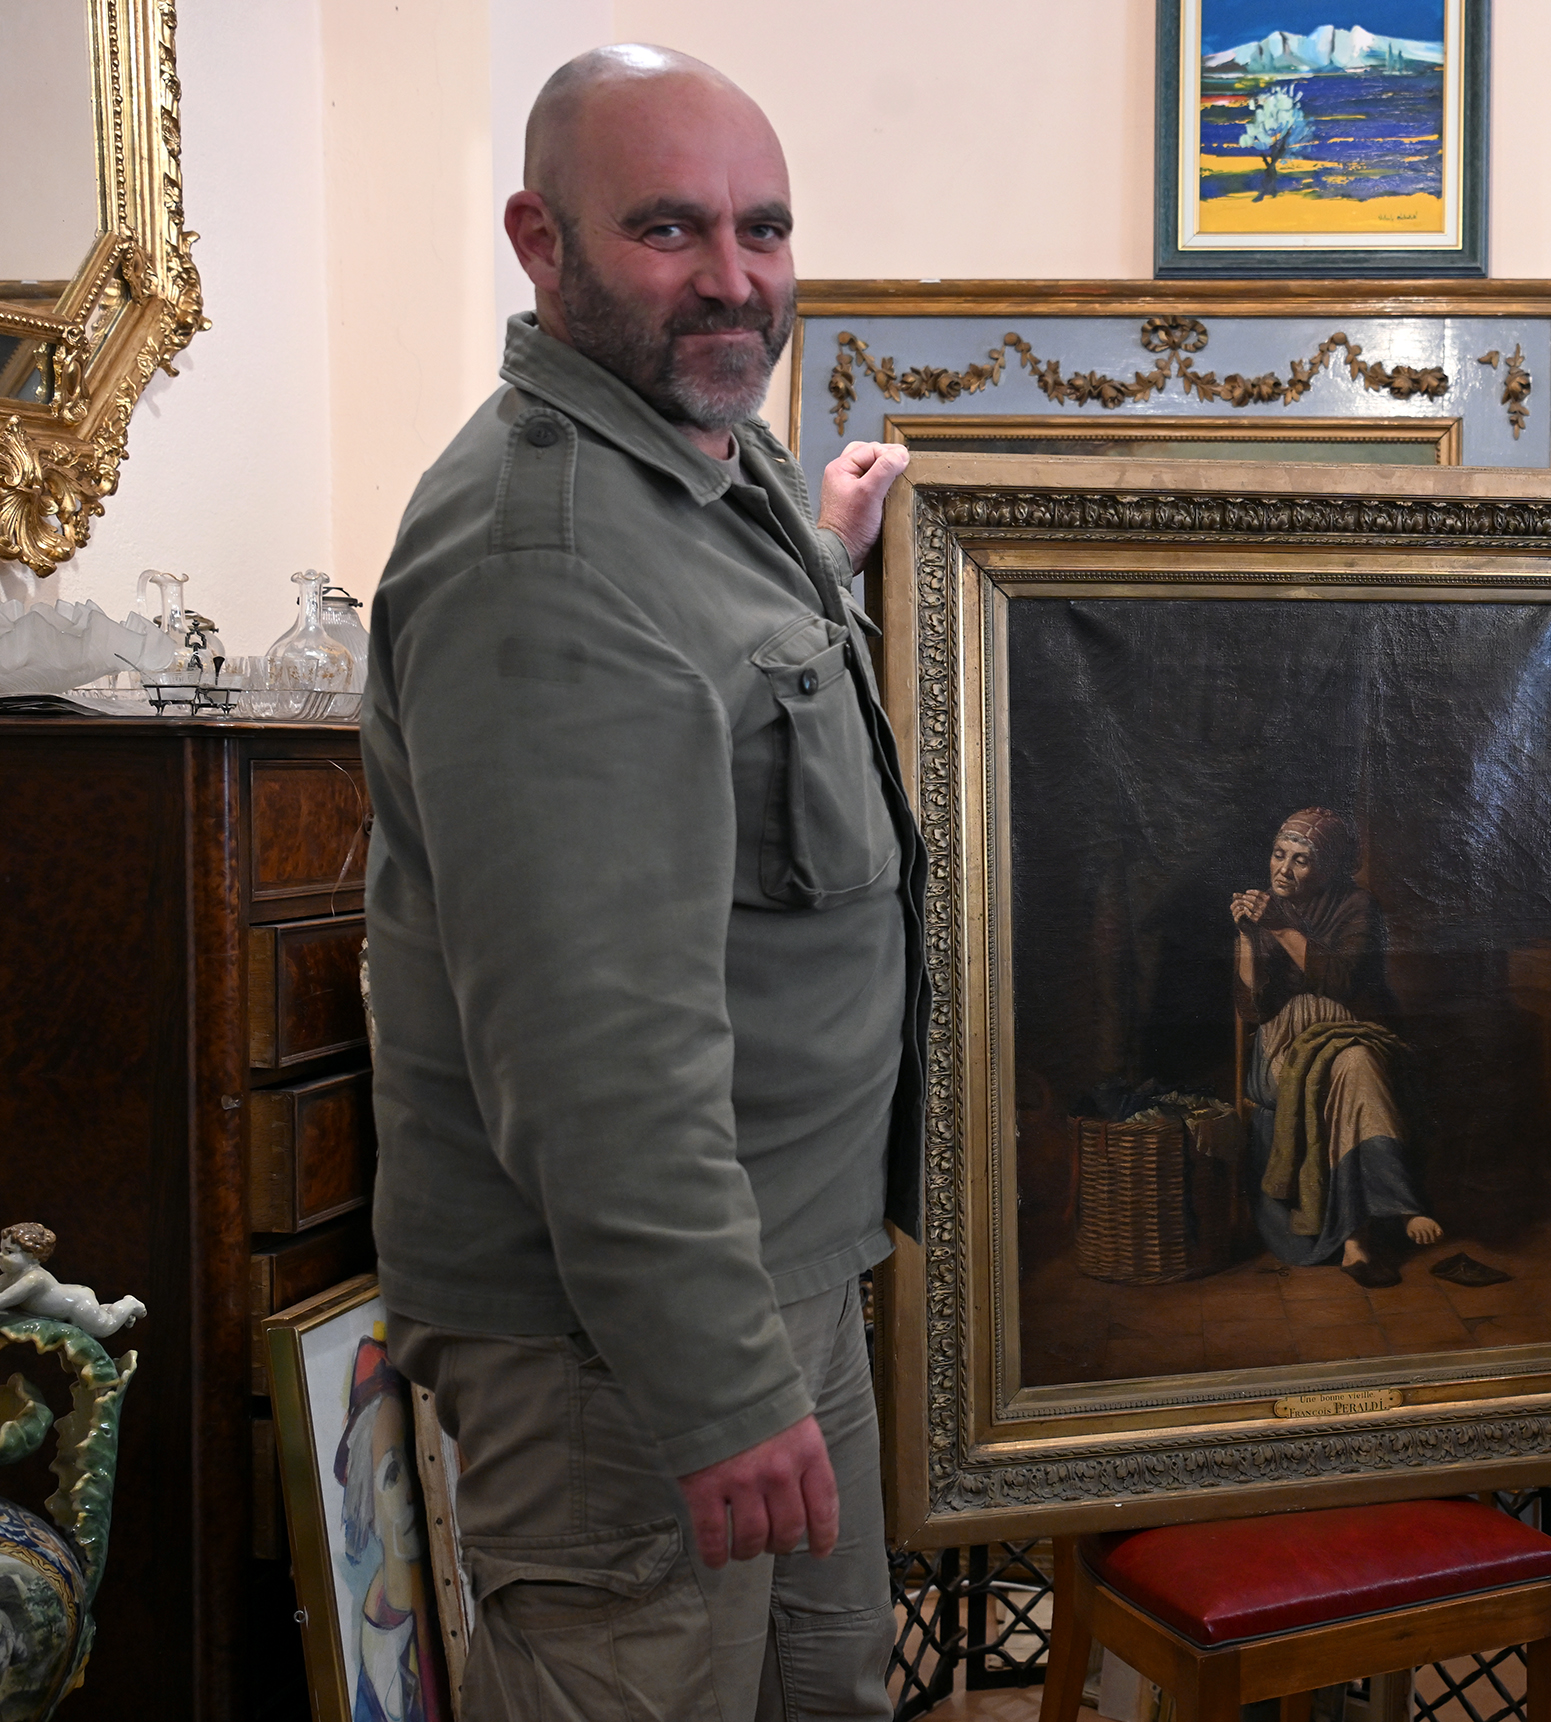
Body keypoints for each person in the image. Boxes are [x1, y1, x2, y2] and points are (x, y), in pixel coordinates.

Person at [359, 43, 923, 1720]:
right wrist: (720, 1381)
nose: (736, 278)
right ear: (543, 243)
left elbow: (718, 724)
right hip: (633, 1349)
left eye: (765, 228)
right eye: (671, 231)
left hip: (771, 1274)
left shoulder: (707, 465)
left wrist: (831, 557)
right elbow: (596, 1051)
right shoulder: (547, 557)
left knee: (816, 1688)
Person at [1230, 807, 1443, 1286]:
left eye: (1301, 860)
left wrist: (1282, 928)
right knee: (1348, 1068)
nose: (1283, 869)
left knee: (1355, 1061)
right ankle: (1371, 1229)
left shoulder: (1357, 905)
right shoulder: (1260, 907)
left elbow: (1344, 980)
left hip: (1353, 1028)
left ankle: (1361, 1239)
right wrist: (1247, 937)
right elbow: (1253, 1009)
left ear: (1326, 867)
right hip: (1284, 1044)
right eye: (1279, 855)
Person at [335, 1332, 445, 1722]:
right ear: (369, 1501)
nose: (417, 1489)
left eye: (423, 1462)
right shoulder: (375, 1675)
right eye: (395, 1472)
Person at [0, 1222, 144, 1340]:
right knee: (99, 1314)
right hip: (76, 1295)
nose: (1, 1255)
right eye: (1, 1250)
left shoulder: (34, 1278)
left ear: (32, 1255)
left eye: (9, 1252)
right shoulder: (11, 1275)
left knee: (105, 1326)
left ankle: (129, 1304)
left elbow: (4, 1300)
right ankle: (111, 1308)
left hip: (78, 1305)